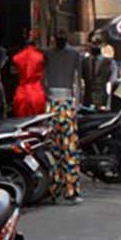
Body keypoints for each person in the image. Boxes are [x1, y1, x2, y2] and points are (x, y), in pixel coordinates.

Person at [43, 31, 83, 205]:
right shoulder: (49, 54)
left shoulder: (73, 54)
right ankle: (57, 189)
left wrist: (77, 103)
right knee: (55, 149)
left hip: (60, 104)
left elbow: (78, 80)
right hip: (58, 104)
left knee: (67, 149)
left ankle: (67, 189)